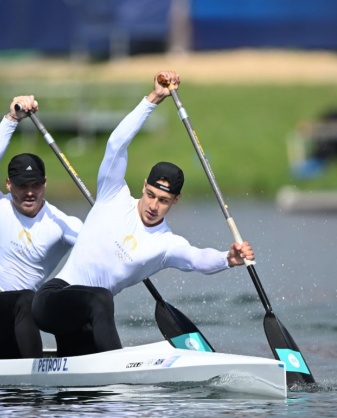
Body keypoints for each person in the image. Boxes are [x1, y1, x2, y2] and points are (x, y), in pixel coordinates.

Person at [31, 70, 255, 357]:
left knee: (84, 396)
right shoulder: (113, 195)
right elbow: (116, 144)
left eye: (163, 200)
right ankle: (120, 371)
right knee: (100, 298)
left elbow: (198, 258)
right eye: (150, 194)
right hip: (52, 300)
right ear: (143, 186)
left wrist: (228, 258)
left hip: (83, 322)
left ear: (176, 201)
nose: (153, 205)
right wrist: (152, 100)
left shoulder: (165, 244)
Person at [0, 95, 84, 360]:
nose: (29, 192)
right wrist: (11, 119)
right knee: (28, 300)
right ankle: (38, 378)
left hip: (19, 325)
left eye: (36, 185)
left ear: (45, 183)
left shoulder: (62, 223)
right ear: (8, 184)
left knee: (72, 297)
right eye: (21, 185)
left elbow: (101, 248)